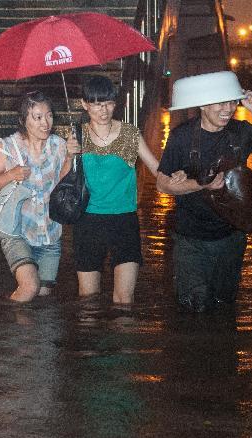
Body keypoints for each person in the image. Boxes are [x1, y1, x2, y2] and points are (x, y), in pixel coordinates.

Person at [156, 71, 252, 313]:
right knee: (192, 308)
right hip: (191, 239)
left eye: (232, 101)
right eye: (221, 102)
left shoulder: (242, 132)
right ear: (204, 105)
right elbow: (163, 184)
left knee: (224, 305)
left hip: (232, 237)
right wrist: (201, 184)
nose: (228, 109)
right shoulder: (181, 136)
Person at [68, 75, 183, 305]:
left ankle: (123, 339)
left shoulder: (130, 134)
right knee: (88, 299)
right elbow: (63, 180)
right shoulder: (76, 135)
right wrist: (69, 154)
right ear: (84, 104)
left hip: (124, 221)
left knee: (124, 298)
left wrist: (175, 176)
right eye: (97, 104)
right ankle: (91, 340)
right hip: (88, 222)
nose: (104, 110)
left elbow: (156, 169)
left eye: (109, 103)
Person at [0, 91, 75, 302]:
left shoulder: (59, 145)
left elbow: (61, 184)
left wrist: (69, 157)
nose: (45, 123)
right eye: (38, 117)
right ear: (24, 120)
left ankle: (32, 335)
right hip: (17, 232)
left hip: (50, 233)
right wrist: (10, 174)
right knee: (29, 288)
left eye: (49, 115)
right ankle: (8, 329)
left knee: (43, 297)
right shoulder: (9, 146)